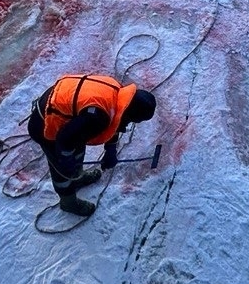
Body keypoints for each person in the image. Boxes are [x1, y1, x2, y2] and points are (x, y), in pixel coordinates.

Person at [28, 74, 157, 216]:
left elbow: (114, 118)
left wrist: (110, 148)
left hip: (65, 113)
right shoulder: (97, 118)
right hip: (44, 124)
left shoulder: (118, 93)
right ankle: (68, 202)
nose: (130, 124)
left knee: (78, 140)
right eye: (133, 120)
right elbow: (64, 139)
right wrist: (65, 159)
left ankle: (78, 177)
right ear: (130, 113)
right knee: (62, 170)